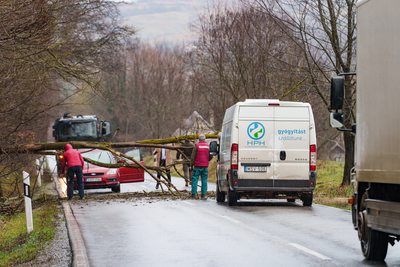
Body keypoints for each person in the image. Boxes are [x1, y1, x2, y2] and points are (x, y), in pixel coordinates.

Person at [190, 134, 213, 199]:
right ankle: (203, 195)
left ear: (199, 139)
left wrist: (191, 165)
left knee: (195, 179)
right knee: (204, 180)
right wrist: (206, 160)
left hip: (197, 166)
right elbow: (211, 155)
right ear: (205, 139)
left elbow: (193, 156)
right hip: (205, 166)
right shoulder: (208, 146)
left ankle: (194, 194)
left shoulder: (196, 146)